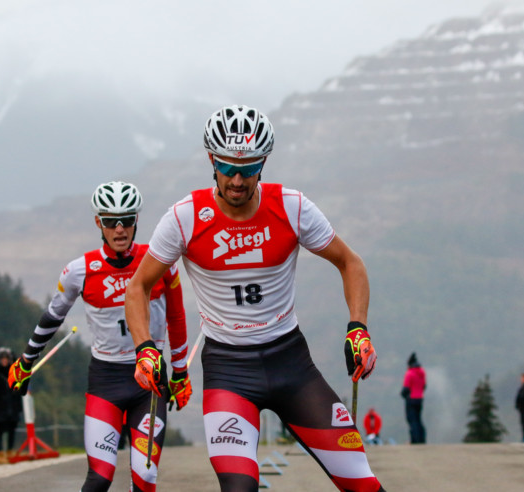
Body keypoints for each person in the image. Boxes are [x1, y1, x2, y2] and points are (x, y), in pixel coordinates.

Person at [125, 105, 383, 492]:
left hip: (291, 365)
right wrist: (145, 347)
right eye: (227, 167)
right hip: (229, 372)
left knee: (362, 484)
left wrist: (358, 329)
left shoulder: (292, 207)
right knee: (239, 489)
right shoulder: (185, 217)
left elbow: (350, 262)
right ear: (212, 160)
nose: (237, 179)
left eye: (249, 168)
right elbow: (138, 287)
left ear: (264, 163)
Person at [7, 181, 190, 492]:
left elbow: (176, 317)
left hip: (149, 383)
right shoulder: (80, 270)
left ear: (136, 221)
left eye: (127, 220)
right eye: (109, 221)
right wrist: (26, 361)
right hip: (105, 381)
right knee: (99, 479)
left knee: (144, 479)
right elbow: (53, 316)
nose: (119, 230)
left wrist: (180, 372)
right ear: (98, 223)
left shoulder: (159, 262)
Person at [0, 347, 23, 464]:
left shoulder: (15, 374)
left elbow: (19, 391)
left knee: (12, 430)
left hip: (12, 406)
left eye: (6, 359)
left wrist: (19, 407)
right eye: (2, 359)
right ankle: (0, 453)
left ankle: (9, 452)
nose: (5, 361)